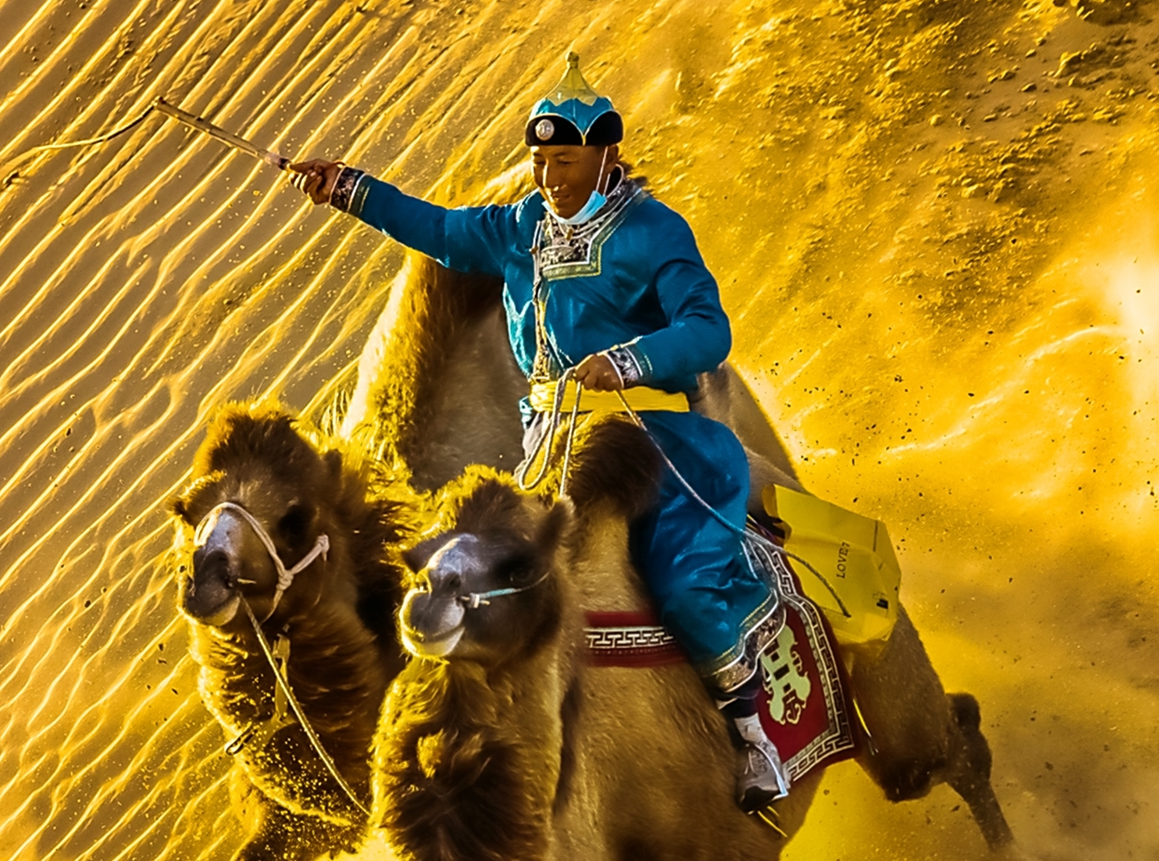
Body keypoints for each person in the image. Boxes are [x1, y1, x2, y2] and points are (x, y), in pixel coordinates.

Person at [286, 54, 791, 808]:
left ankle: (756, 742)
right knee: (474, 580)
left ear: (606, 156)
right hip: (551, 453)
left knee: (683, 584)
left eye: (566, 160)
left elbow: (707, 329)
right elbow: (440, 231)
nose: (551, 177)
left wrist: (629, 358)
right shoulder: (520, 227)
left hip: (660, 444)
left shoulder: (654, 233)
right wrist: (348, 189)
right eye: (541, 160)